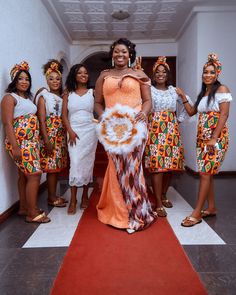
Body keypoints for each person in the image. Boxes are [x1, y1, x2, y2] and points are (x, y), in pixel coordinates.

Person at [95, 38, 157, 234]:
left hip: (136, 127)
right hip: (114, 129)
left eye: (124, 52)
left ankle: (136, 214)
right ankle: (118, 212)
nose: (120, 55)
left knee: (132, 169)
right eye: (116, 52)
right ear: (112, 54)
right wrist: (104, 116)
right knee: (115, 167)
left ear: (130, 54)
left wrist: (143, 114)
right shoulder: (103, 76)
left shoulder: (139, 74)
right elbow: (97, 102)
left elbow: (147, 101)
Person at [180, 53, 232, 227]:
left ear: (217, 74)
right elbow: (191, 112)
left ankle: (197, 213)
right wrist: (183, 97)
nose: (207, 75)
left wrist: (214, 138)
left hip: (215, 138)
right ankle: (211, 208)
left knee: (204, 173)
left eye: (211, 72)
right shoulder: (204, 93)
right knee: (206, 173)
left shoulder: (222, 89)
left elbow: (224, 115)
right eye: (205, 72)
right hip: (202, 138)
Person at [1, 61, 50, 223]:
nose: (24, 81)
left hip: (31, 143)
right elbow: (7, 123)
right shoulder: (9, 98)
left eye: (26, 79)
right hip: (20, 143)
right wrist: (15, 146)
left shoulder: (27, 99)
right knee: (35, 175)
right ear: (14, 81)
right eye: (20, 79)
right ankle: (32, 213)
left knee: (24, 175)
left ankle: (24, 207)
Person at [145, 56, 192, 217]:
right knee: (158, 167)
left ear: (167, 74)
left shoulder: (174, 91)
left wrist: (179, 116)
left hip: (171, 130)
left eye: (163, 71)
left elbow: (191, 110)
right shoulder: (148, 90)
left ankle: (164, 194)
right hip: (155, 130)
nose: (160, 74)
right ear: (153, 74)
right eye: (157, 72)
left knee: (169, 167)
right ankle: (158, 202)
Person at [62, 64, 97, 214]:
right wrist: (70, 131)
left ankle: (84, 196)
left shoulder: (93, 92)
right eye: (80, 73)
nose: (83, 75)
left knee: (87, 164)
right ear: (74, 76)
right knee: (75, 163)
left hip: (90, 131)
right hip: (74, 131)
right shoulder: (67, 93)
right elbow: (64, 115)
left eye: (86, 72)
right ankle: (73, 199)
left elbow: (99, 109)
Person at [35, 60, 67, 207]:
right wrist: (46, 140)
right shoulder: (44, 96)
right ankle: (52, 198)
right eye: (51, 79)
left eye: (58, 79)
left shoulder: (61, 96)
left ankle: (53, 195)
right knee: (52, 168)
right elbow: (41, 120)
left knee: (56, 167)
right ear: (46, 80)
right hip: (50, 135)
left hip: (59, 135)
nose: (55, 81)